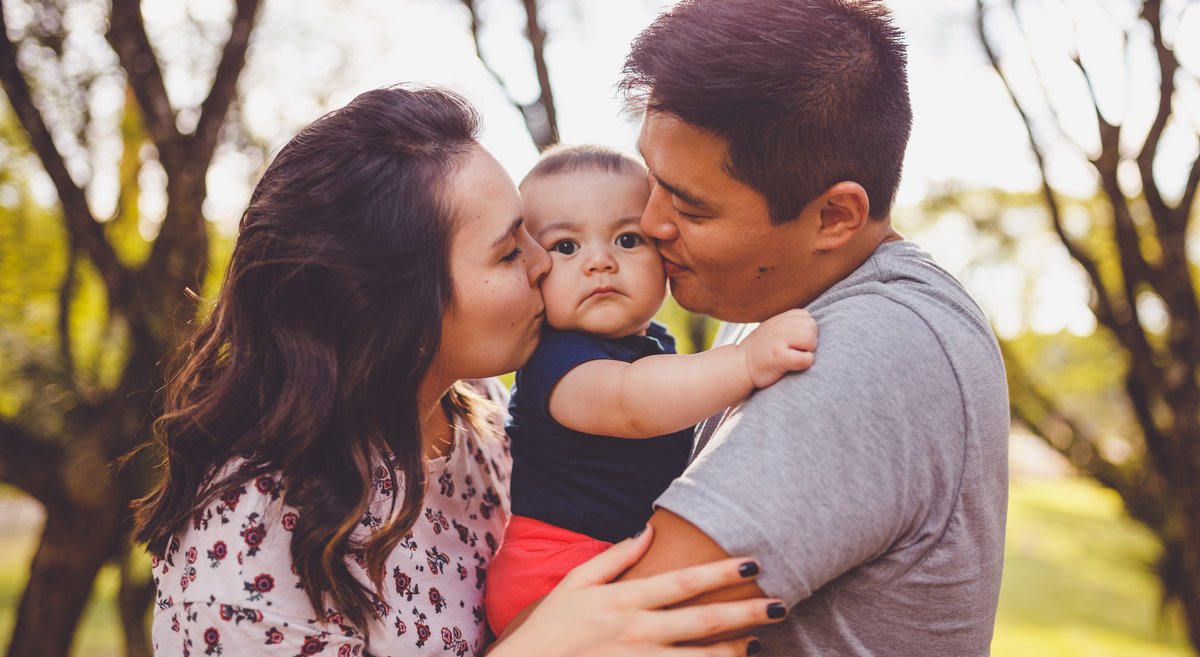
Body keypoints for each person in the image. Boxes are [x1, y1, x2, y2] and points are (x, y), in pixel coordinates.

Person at [133, 86, 789, 657]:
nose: (544, 263)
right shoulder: (251, 537)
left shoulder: (480, 411)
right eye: (509, 252)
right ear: (396, 303)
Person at [603, 0, 1011, 655]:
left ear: (833, 216)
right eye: (652, 179)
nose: (649, 223)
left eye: (691, 208)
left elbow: (618, 637)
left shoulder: (877, 350)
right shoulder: (779, 303)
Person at [485, 145, 816, 635]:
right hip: (555, 572)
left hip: (607, 555)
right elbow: (630, 403)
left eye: (627, 239)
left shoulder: (655, 345)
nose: (600, 262)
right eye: (566, 246)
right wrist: (745, 361)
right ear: (532, 268)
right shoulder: (555, 360)